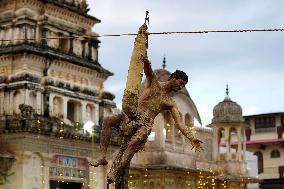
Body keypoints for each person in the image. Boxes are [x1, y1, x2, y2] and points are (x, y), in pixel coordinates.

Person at [90, 23, 203, 184]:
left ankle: (116, 171)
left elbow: (180, 124)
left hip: (144, 124)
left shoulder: (169, 103)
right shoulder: (153, 83)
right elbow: (146, 64)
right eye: (180, 82)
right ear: (172, 78)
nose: (181, 86)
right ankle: (102, 156)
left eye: (183, 85)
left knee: (136, 140)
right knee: (108, 120)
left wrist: (192, 137)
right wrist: (142, 40)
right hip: (131, 115)